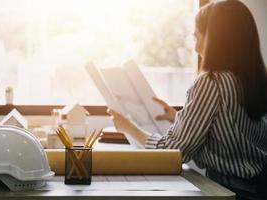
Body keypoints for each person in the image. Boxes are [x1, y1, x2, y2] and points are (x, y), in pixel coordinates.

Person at [108, 1, 267, 199]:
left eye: (196, 33)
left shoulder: (211, 82)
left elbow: (173, 153)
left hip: (230, 190)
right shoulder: (253, 78)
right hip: (257, 188)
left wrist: (128, 127)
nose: (194, 41)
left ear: (214, 38)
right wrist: (177, 116)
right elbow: (232, 128)